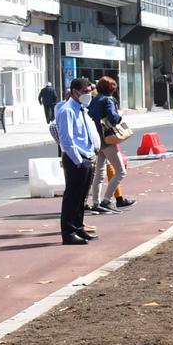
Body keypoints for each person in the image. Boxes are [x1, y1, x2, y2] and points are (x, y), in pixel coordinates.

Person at [54, 78, 99, 244]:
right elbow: (67, 139)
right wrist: (78, 160)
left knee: (81, 197)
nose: (88, 95)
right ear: (75, 92)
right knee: (72, 197)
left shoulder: (81, 109)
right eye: (86, 92)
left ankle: (79, 227)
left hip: (86, 156)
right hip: (76, 159)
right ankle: (68, 232)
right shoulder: (67, 111)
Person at [88, 75, 133, 213]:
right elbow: (113, 119)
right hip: (107, 139)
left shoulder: (94, 100)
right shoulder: (108, 100)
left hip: (96, 139)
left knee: (99, 173)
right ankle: (106, 200)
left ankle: (96, 202)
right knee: (121, 171)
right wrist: (120, 115)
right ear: (112, 88)